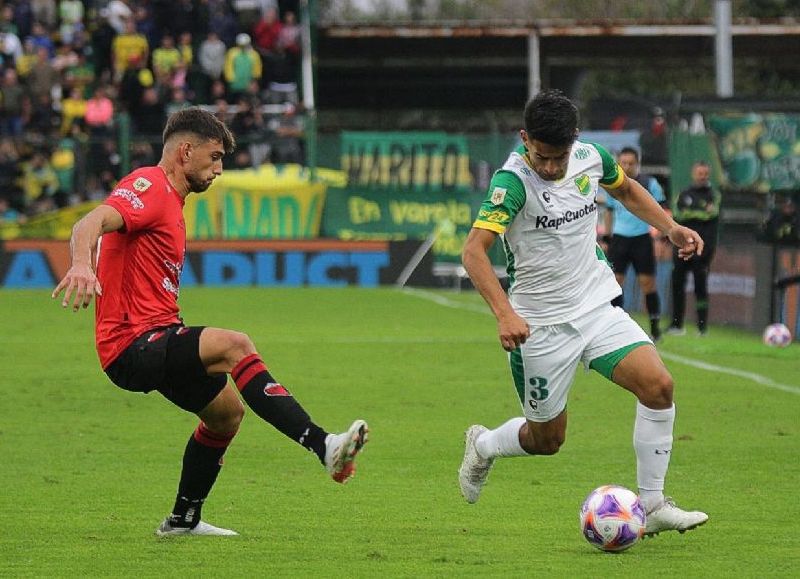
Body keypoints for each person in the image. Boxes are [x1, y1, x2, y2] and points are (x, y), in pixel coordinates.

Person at [52, 108, 368, 537]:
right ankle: (324, 445)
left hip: (155, 339)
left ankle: (182, 520)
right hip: (134, 343)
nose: (219, 169)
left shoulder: (173, 202)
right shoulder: (148, 186)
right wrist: (81, 265)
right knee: (235, 345)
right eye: (215, 157)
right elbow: (91, 221)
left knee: (225, 415)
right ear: (185, 151)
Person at [458, 90, 708, 537]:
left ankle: (651, 505)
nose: (551, 168)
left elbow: (627, 189)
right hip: (540, 326)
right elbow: (473, 251)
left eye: (560, 157)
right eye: (541, 156)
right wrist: (504, 314)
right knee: (546, 441)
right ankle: (483, 445)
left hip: (595, 305)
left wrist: (669, 227)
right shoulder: (512, 184)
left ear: (575, 141)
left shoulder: (591, 157)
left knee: (659, 386)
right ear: (524, 139)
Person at [604, 147, 666, 341]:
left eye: (631, 163)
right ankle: (617, 325)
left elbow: (661, 210)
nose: (627, 166)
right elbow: (609, 210)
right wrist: (607, 237)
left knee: (648, 284)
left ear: (638, 163)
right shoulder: (613, 183)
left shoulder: (650, 184)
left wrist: (660, 237)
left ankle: (655, 328)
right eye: (624, 163)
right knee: (615, 283)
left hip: (642, 238)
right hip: (620, 239)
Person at [667, 161, 721, 336]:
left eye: (705, 173)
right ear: (693, 174)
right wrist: (699, 212)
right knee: (677, 285)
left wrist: (692, 213)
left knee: (700, 287)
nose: (702, 176)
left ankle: (702, 327)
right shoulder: (683, 194)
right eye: (699, 173)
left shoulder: (714, 195)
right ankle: (677, 325)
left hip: (703, 249)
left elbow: (711, 214)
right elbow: (678, 215)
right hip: (682, 247)